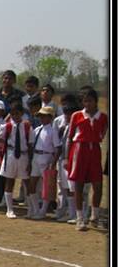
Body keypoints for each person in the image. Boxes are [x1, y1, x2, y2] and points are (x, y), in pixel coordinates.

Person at [66, 87, 107, 230]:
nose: (88, 104)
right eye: (85, 101)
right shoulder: (77, 115)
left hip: (94, 149)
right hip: (79, 150)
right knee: (79, 185)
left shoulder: (103, 117)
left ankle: (95, 216)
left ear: (96, 101)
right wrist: (67, 158)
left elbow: (103, 133)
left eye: (90, 101)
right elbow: (70, 137)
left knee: (98, 184)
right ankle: (80, 218)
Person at [0, 99, 32, 219]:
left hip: (23, 155)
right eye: (13, 114)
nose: (15, 116)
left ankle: (31, 209)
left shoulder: (27, 126)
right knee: (10, 181)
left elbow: (30, 144)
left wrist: (30, 161)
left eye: (17, 114)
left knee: (27, 182)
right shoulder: (7, 126)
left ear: (22, 113)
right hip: (10, 154)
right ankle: (9, 209)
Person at [28, 105, 63, 219]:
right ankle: (35, 209)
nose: (42, 118)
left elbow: (58, 148)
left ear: (50, 117)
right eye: (41, 116)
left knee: (46, 186)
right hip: (36, 157)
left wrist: (53, 162)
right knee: (32, 184)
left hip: (46, 156)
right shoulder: (37, 130)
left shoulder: (52, 131)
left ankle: (43, 210)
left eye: (44, 116)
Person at [54, 94, 78, 222]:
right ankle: (67, 211)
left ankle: (74, 213)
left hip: (73, 160)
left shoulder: (76, 127)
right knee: (64, 187)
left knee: (72, 187)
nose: (67, 117)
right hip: (63, 159)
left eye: (70, 114)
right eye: (66, 114)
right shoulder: (64, 126)